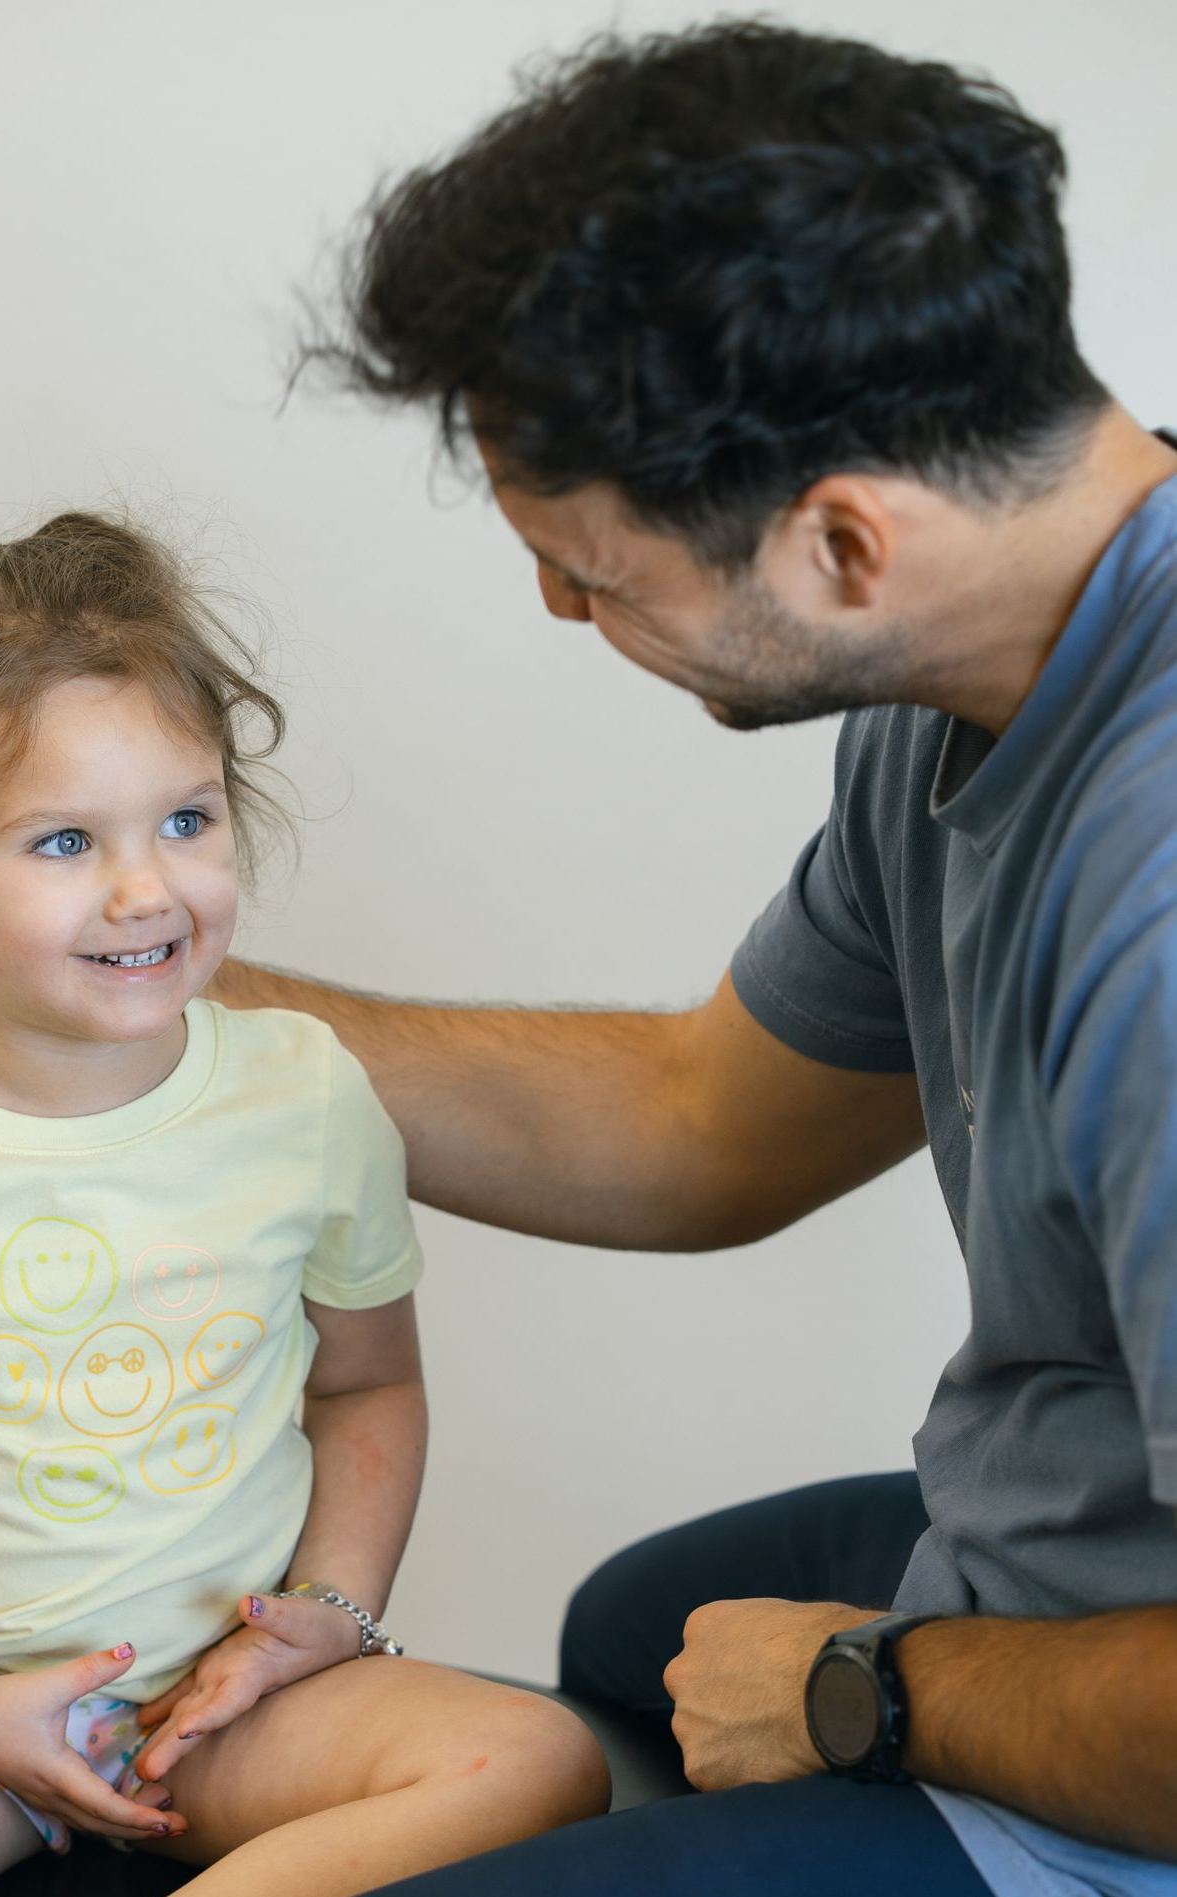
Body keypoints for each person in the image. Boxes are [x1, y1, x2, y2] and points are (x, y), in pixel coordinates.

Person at [121, 22, 1175, 1897]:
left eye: (597, 575)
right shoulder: (969, 679)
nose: (558, 605)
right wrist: (166, 996)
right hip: (1079, 1524)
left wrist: (874, 1693)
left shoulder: (1157, 907)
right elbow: (705, 1123)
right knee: (635, 1633)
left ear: (844, 543)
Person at [0, 512, 608, 1897]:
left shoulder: (308, 1092)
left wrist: (327, 1614)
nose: (146, 888)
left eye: (187, 820)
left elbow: (368, 1386)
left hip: (223, 1704)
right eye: (62, 842)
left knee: (537, 1763)